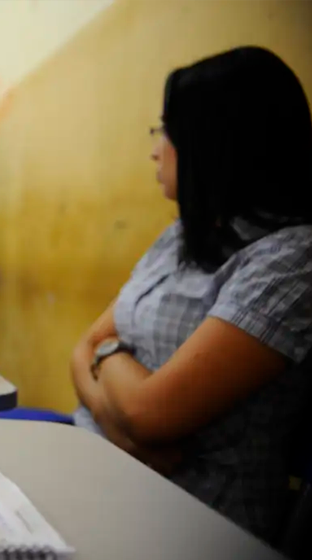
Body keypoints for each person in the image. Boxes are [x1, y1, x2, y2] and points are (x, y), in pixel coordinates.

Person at [70, 46, 312, 542]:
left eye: (167, 132)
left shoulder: (291, 261)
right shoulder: (182, 235)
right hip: (104, 469)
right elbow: (80, 350)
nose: (156, 149)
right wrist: (120, 430)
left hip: (192, 522)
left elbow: (148, 413)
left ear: (217, 141)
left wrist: (110, 356)